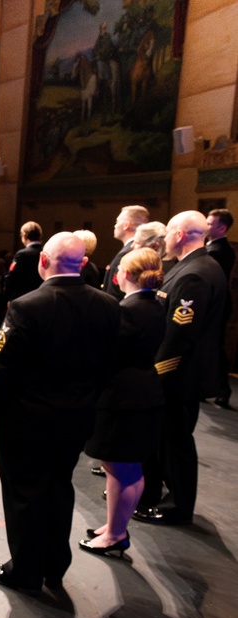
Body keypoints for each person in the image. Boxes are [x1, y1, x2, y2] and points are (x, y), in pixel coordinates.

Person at [0, 232, 119, 594]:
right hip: (77, 419)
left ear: (43, 262)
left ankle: (24, 572)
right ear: (85, 265)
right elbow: (109, 366)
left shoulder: (26, 306)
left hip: (28, 422)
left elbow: (4, 368)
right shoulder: (108, 305)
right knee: (60, 488)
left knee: (24, 495)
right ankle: (55, 567)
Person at [134, 211, 227, 525]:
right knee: (169, 440)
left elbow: (179, 336)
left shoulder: (194, 274)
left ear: (182, 234)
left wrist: (155, 374)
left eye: (169, 231)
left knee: (176, 443)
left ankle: (178, 507)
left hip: (179, 375)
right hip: (182, 374)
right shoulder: (193, 267)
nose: (164, 239)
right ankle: (168, 497)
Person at [80, 248, 165, 556]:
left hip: (123, 396)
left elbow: (109, 353)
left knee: (119, 468)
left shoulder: (127, 309)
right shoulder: (155, 304)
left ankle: (115, 534)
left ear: (123, 275)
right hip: (143, 391)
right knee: (128, 468)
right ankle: (115, 525)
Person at [205, 208, 235, 409]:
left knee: (216, 346)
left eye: (209, 223)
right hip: (211, 302)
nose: (205, 226)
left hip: (215, 304)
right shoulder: (211, 247)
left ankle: (224, 390)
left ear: (222, 227)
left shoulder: (220, 250)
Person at [103, 205, 149, 300]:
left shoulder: (128, 253)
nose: (115, 225)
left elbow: (116, 291)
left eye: (117, 221)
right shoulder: (137, 250)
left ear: (126, 225)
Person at [3, 221, 43, 301]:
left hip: (22, 297)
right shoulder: (46, 252)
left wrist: (8, 296)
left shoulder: (22, 254)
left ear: (24, 236)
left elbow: (11, 277)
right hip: (42, 297)